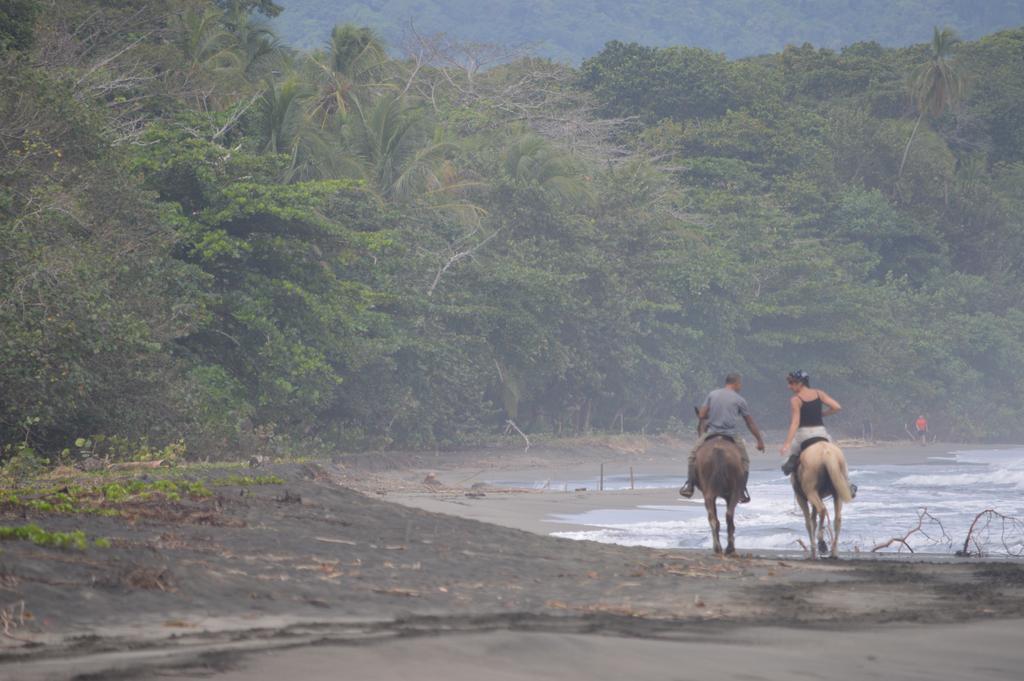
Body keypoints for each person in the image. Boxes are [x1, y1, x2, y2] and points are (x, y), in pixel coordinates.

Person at [679, 372, 766, 503]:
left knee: (692, 456)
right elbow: (750, 422)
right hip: (730, 434)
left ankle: (690, 486)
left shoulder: (712, 394)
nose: (740, 386)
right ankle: (741, 491)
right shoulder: (740, 400)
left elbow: (702, 414)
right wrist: (759, 440)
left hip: (711, 432)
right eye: (740, 384)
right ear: (735, 383)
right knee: (745, 461)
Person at [779, 370, 856, 497]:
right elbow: (837, 407)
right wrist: (823, 414)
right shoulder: (819, 393)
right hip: (821, 433)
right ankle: (847, 484)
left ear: (800, 383)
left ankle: (797, 483)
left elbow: (795, 423)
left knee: (793, 455)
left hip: (803, 434)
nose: (789, 386)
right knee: (838, 456)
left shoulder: (796, 399)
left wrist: (786, 444)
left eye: (792, 383)